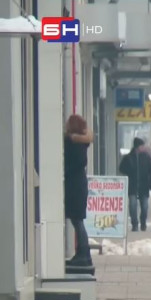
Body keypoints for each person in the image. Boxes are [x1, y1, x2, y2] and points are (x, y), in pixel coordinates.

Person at [64, 114, 94, 267]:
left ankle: (84, 253)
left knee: (77, 220)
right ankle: (83, 253)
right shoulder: (81, 143)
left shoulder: (72, 143)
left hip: (74, 186)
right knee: (77, 220)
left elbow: (70, 164)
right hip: (79, 185)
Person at [119, 137, 151, 232]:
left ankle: (143, 222)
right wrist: (128, 171)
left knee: (144, 206)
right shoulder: (128, 157)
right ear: (137, 146)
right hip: (132, 186)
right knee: (132, 205)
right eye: (142, 146)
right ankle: (134, 224)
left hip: (144, 186)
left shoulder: (146, 157)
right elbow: (121, 168)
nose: (143, 147)